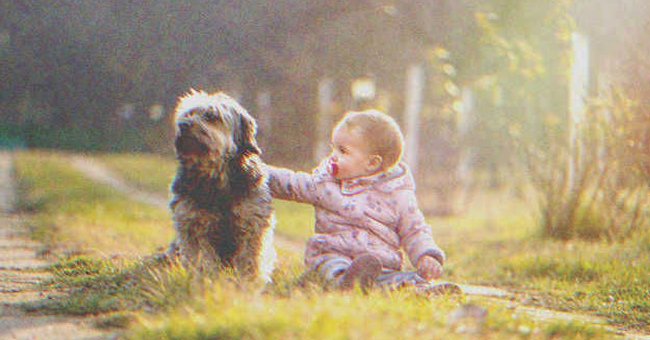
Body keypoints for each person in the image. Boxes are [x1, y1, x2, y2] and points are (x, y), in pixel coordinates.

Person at [267, 109, 460, 295]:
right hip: (332, 256)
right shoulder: (325, 184)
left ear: (372, 163)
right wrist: (256, 172)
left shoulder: (398, 195)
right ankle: (345, 283)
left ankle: (422, 288)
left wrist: (427, 255)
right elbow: (291, 183)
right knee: (330, 269)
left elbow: (415, 230)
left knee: (399, 279)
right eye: (333, 148)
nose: (333, 155)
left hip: (379, 266)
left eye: (342, 151)